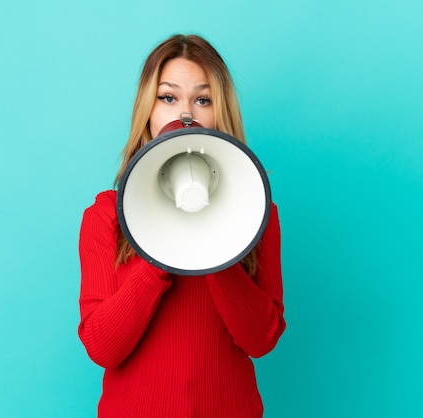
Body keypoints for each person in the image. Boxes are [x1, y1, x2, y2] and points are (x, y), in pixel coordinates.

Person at [78, 34, 286, 418]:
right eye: (168, 97)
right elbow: (103, 348)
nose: (185, 115)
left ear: (220, 111)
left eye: (202, 99)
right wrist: (162, 247)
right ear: (147, 109)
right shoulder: (105, 215)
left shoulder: (258, 215)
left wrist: (215, 244)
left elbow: (261, 340)